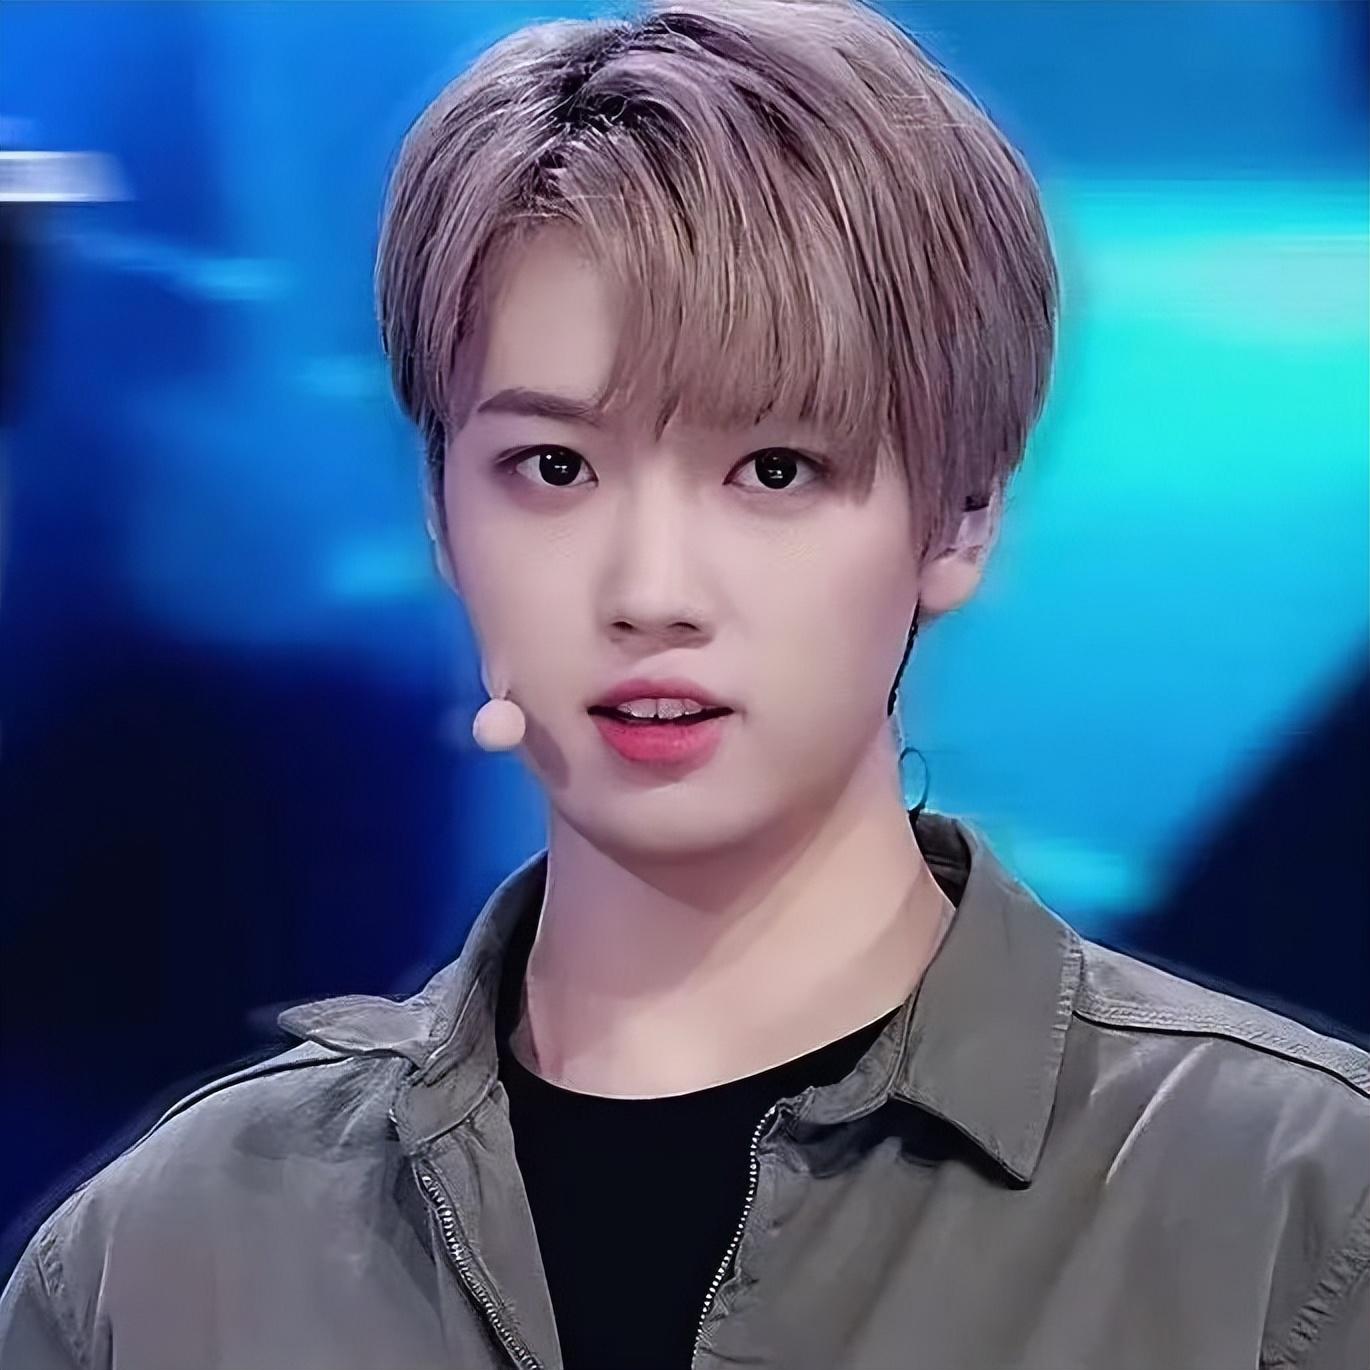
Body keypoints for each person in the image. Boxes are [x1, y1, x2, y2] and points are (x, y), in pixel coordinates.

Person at [2, 1, 1367, 1366]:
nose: (651, 588)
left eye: (773, 468)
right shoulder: (159, 1261)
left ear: (961, 516)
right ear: (441, 514)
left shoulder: (1290, 1217)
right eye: (553, 468)